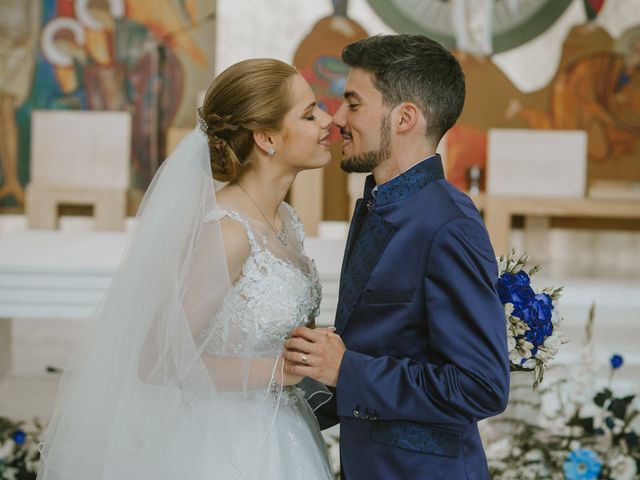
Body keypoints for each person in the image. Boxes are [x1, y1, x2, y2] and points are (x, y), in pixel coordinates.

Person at [37, 58, 335, 479]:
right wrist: (277, 371)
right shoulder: (229, 233)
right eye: (309, 114)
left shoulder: (285, 218)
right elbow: (157, 359)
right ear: (266, 137)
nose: (328, 120)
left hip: (283, 430)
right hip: (224, 446)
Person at [284, 34, 510, 479]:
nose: (338, 119)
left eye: (353, 103)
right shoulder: (377, 203)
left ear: (405, 117)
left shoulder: (449, 225)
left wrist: (346, 369)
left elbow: (482, 386)